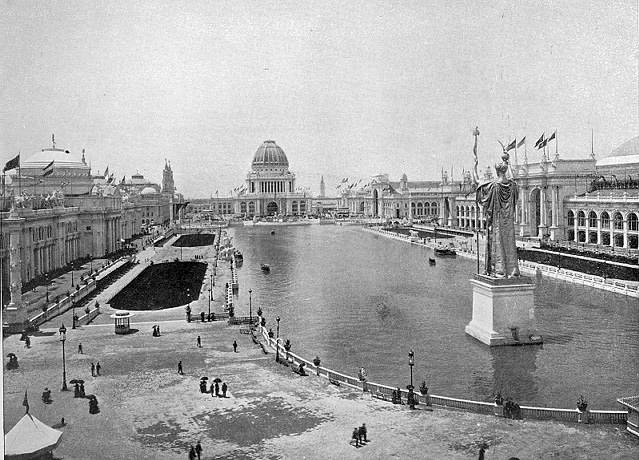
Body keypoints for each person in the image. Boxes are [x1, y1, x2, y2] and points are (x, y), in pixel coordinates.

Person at [474, 148, 520, 278]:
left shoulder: (493, 185)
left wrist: (475, 165)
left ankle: (499, 270)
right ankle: (512, 270)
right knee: (509, 243)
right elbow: (515, 198)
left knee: (496, 242)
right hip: (509, 223)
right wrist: (506, 160)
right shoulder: (513, 185)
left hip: (497, 222)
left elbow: (477, 182)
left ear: (497, 171)